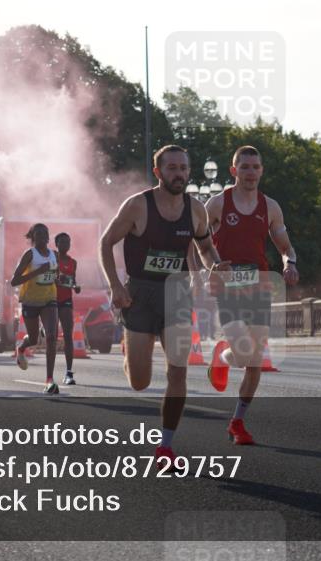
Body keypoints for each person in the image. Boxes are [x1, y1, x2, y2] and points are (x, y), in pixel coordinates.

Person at [99, 145, 228, 469]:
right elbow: (106, 242)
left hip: (177, 294)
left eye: (183, 168)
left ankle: (166, 446)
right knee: (139, 382)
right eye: (171, 168)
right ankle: (131, 350)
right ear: (158, 172)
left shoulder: (195, 210)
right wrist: (115, 285)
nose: (178, 174)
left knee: (178, 370)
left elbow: (205, 247)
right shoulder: (138, 205)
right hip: (140, 295)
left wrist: (214, 265)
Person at [205, 145, 299, 445]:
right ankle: (223, 355)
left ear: (261, 171)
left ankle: (237, 422)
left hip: (259, 285)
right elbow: (197, 241)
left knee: (255, 360)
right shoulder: (217, 204)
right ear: (234, 170)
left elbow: (285, 246)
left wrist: (290, 264)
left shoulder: (270, 207)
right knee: (243, 353)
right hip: (227, 287)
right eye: (244, 167)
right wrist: (204, 271)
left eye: (255, 167)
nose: (250, 172)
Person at [10, 223, 61, 393]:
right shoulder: (29, 254)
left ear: (48, 236)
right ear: (33, 238)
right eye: (38, 234)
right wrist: (37, 272)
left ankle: (49, 380)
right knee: (33, 340)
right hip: (30, 301)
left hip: (49, 300)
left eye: (45, 233)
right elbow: (14, 281)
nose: (42, 236)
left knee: (52, 337)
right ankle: (21, 348)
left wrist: (62, 281)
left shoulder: (54, 255)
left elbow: (55, 276)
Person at [54, 232, 82, 386]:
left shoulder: (73, 262)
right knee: (51, 336)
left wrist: (76, 287)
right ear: (56, 244)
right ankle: (50, 375)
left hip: (66, 301)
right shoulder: (52, 259)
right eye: (63, 242)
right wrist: (54, 281)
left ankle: (69, 372)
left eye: (68, 242)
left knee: (68, 336)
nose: (66, 245)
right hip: (51, 300)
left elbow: (73, 281)